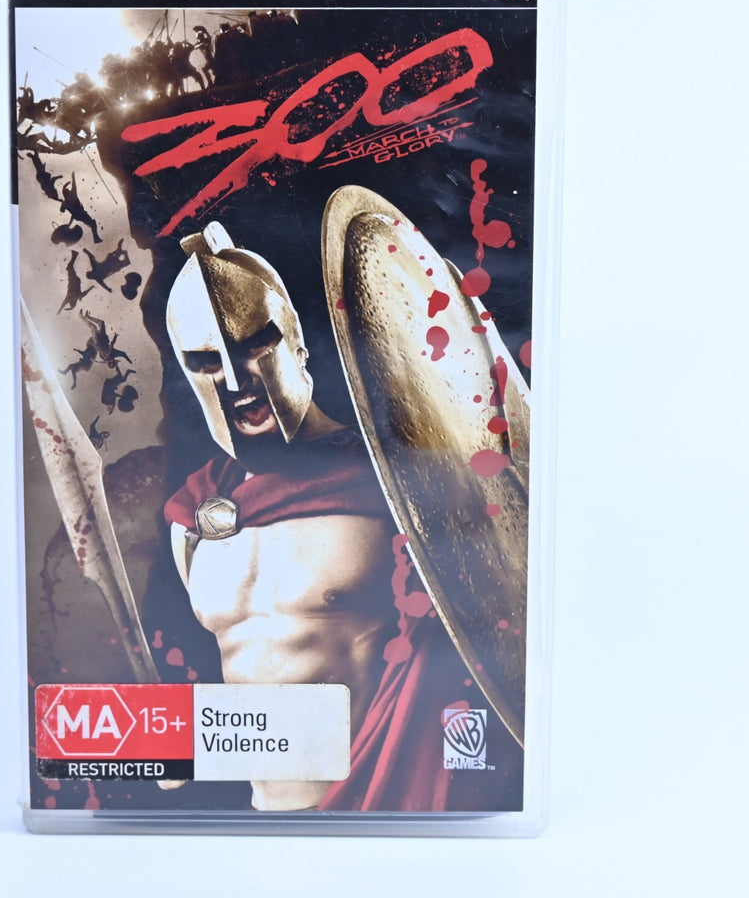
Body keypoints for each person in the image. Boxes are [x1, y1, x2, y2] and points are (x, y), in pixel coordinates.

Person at [162, 222, 520, 812]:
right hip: (260, 816)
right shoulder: (193, 517)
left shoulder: (393, 488)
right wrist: (165, 741)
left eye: (255, 345)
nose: (234, 377)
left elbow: (481, 639)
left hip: (376, 804)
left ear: (298, 348)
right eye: (205, 362)